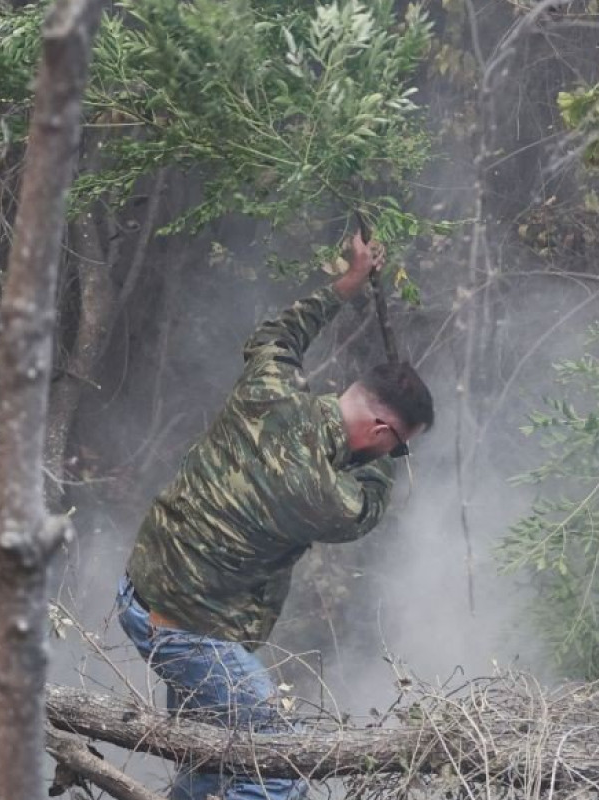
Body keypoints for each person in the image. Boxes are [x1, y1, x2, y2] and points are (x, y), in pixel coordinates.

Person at [116, 232, 434, 800]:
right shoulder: (321, 490)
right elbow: (366, 511)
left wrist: (347, 283)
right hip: (189, 633)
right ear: (381, 431)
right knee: (276, 776)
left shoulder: (269, 386)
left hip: (144, 597)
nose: (395, 454)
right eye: (398, 444)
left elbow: (277, 334)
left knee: (209, 767)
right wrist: (389, 462)